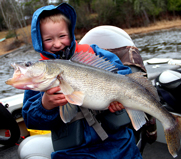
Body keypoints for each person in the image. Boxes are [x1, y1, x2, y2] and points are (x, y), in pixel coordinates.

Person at [22, 3, 143, 159]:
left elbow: (124, 76)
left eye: (62, 36)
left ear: (71, 34)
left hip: (118, 143)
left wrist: (119, 102)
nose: (57, 44)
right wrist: (45, 105)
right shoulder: (38, 76)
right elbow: (31, 120)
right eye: (48, 39)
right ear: (39, 41)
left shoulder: (93, 53)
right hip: (74, 152)